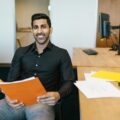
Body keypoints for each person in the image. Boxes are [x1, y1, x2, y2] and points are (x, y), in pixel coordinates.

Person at [0, 13, 74, 120]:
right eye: (36, 27)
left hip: (42, 103)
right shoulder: (20, 52)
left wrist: (58, 94)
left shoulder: (61, 54)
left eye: (43, 27)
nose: (39, 31)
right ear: (32, 30)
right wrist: (8, 96)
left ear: (50, 29)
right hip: (16, 101)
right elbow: (11, 80)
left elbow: (69, 82)